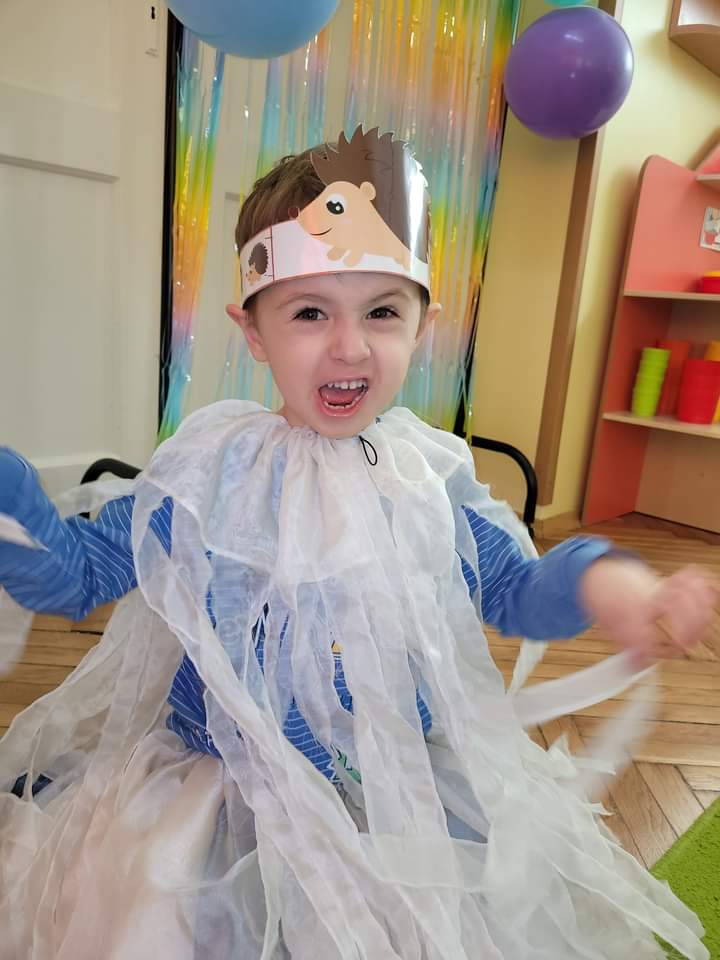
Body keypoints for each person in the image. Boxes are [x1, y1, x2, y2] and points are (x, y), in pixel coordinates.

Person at [0, 126, 714, 960]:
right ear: (254, 331)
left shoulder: (426, 478)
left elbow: (516, 589)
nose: (350, 346)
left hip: (396, 797)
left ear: (422, 324)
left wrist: (617, 590)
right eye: (310, 312)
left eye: (382, 311)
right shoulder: (209, 475)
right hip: (229, 801)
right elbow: (77, 575)